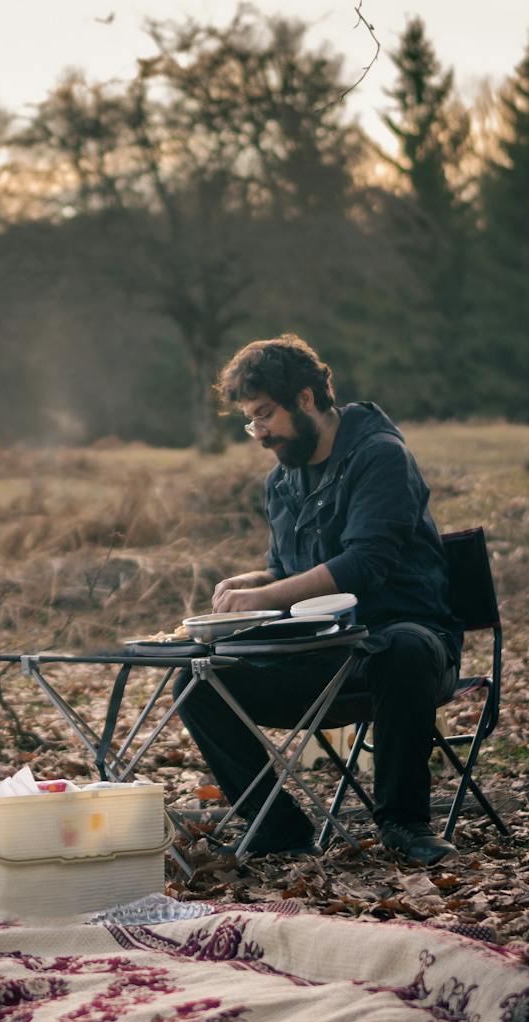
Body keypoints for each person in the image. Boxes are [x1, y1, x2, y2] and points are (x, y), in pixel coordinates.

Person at [176, 334, 463, 867]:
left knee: (402, 648)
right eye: (250, 421)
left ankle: (404, 822)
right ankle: (277, 827)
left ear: (306, 399)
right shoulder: (283, 478)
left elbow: (364, 565)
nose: (259, 433)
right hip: (320, 655)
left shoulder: (380, 457)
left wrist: (267, 592)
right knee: (197, 682)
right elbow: (288, 572)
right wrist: (247, 584)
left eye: (266, 415)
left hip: (404, 643)